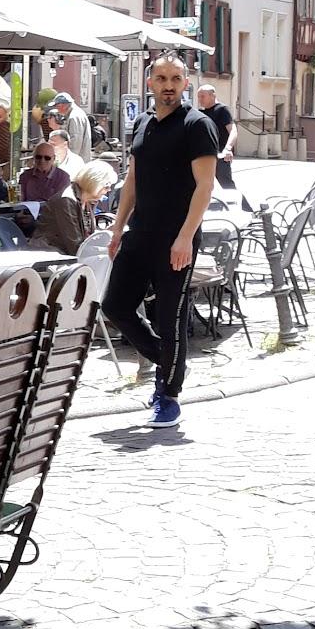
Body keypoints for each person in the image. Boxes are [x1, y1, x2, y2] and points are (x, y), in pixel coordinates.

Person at [103, 51, 218, 431]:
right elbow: (132, 180)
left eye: (176, 79)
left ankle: (168, 396)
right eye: (162, 78)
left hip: (176, 238)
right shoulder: (142, 123)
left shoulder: (197, 125)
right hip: (140, 233)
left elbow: (205, 186)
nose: (169, 86)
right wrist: (117, 228)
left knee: (170, 319)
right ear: (150, 82)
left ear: (185, 83)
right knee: (116, 306)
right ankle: (169, 361)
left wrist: (185, 237)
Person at [31, 161, 117, 255]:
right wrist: (112, 250)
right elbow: (76, 247)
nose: (109, 190)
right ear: (94, 183)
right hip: (51, 256)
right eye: (106, 186)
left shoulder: (86, 200)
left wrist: (107, 233)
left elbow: (86, 238)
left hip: (66, 255)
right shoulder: (66, 200)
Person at [195, 85, 238, 191]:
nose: (200, 99)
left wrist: (228, 149)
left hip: (220, 155)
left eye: (202, 96)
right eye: (198, 97)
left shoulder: (222, 110)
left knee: (226, 185)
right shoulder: (201, 113)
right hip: (205, 155)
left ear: (212, 95)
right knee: (202, 185)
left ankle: (242, 202)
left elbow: (233, 130)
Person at [51, 92, 92, 164]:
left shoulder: (74, 117)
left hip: (77, 163)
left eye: (57, 106)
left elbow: (75, 143)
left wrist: (69, 162)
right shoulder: (74, 114)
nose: (57, 109)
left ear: (64, 105)